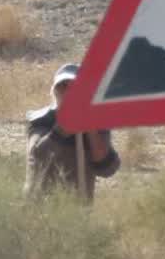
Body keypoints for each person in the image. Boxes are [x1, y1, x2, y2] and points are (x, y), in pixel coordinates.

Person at [24, 63, 120, 196]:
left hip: (77, 209)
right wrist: (62, 130)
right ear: (55, 91)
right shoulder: (41, 120)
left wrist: (91, 129)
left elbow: (107, 169)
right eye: (63, 86)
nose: (69, 92)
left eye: (75, 87)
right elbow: (38, 155)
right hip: (40, 206)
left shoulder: (96, 123)